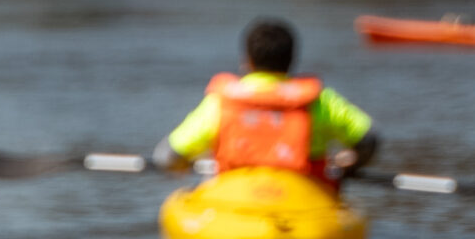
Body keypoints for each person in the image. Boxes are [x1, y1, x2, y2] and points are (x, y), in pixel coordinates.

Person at [151, 18, 380, 183]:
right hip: (304, 205)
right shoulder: (320, 100)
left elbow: (166, 156)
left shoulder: (221, 102)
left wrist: (185, 167)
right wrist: (350, 166)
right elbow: (369, 140)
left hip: (237, 206)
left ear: (247, 61)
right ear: (291, 61)